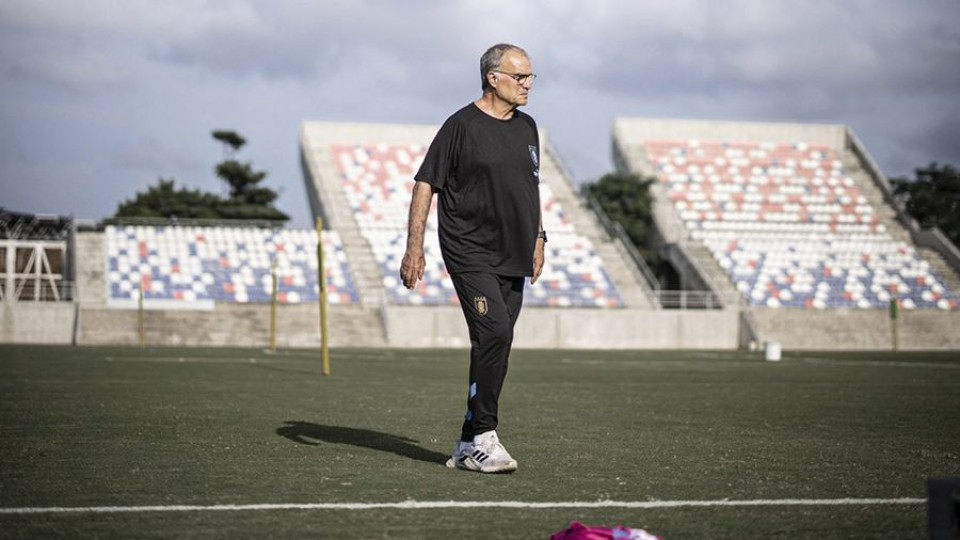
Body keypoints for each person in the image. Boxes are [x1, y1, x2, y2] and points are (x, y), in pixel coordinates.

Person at [400, 43, 546, 474]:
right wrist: (415, 247)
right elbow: (426, 183)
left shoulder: (528, 128)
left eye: (530, 78)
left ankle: (467, 443)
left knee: (497, 343)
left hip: (514, 253)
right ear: (492, 78)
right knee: (495, 332)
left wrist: (539, 238)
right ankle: (485, 435)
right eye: (519, 77)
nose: (526, 85)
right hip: (470, 251)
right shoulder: (459, 126)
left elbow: (531, 188)